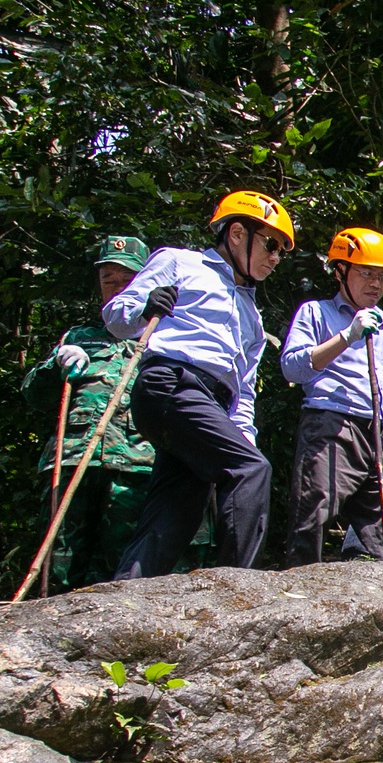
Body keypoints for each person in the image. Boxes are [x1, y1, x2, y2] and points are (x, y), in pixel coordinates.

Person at [104, 191, 292, 578]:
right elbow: (116, 317)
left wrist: (242, 437)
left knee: (177, 508)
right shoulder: (180, 262)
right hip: (171, 383)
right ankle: (238, 585)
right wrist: (145, 306)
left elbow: (243, 390)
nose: (275, 258)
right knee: (251, 470)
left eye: (280, 252)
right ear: (237, 233)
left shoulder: (253, 319)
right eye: (271, 245)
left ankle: (128, 590)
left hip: (210, 402)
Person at [23, 236, 157, 589]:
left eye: (127, 279)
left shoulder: (165, 339)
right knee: (59, 567)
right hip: (72, 462)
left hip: (134, 466)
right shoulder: (80, 336)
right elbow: (35, 396)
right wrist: (57, 364)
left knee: (124, 570)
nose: (116, 287)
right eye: (108, 278)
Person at [280, 227, 383, 565]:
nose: (376, 284)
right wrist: (347, 335)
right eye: (366, 273)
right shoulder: (316, 312)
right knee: (313, 513)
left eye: (382, 276)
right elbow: (292, 368)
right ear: (340, 271)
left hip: (376, 434)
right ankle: (297, 596)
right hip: (332, 423)